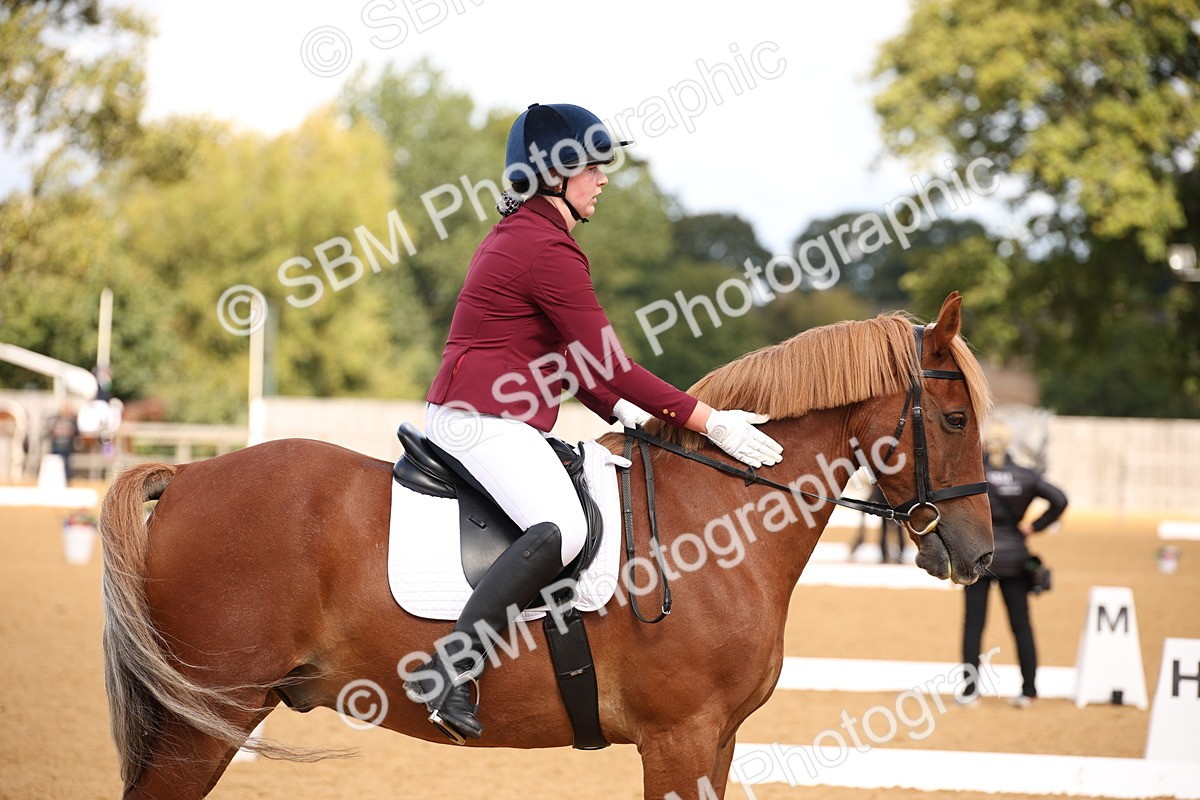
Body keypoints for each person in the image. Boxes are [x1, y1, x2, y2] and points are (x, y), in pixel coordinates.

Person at [405, 103, 784, 743]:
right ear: (555, 173)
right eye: (591, 165)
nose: (603, 178)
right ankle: (449, 667)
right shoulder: (542, 248)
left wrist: (626, 412)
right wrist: (707, 420)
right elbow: (610, 361)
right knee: (565, 526)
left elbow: (581, 368)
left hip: (496, 414)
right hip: (480, 419)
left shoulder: (534, 238)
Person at [961, 421, 1068, 708]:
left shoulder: (972, 473)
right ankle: (1029, 689)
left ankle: (970, 690)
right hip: (1016, 557)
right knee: (1021, 625)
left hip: (978, 554)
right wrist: (1034, 527)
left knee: (974, 625)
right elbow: (1060, 499)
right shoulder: (1026, 475)